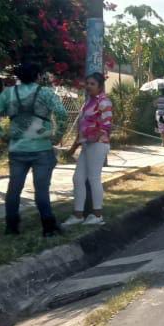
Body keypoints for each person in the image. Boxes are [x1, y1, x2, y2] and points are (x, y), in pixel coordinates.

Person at [0, 62, 69, 237]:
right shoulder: (46, 93)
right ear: (38, 76)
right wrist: (58, 134)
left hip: (17, 149)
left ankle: (11, 227)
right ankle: (48, 227)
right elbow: (62, 113)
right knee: (41, 190)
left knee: (14, 189)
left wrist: (1, 133)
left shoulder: (9, 93)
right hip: (42, 148)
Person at [66, 72, 112, 226]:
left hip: (98, 144)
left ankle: (97, 215)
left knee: (94, 178)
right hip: (86, 144)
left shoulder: (104, 101)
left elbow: (107, 125)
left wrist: (96, 135)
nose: (88, 86)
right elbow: (82, 126)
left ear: (100, 86)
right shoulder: (88, 102)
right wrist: (76, 145)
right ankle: (78, 215)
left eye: (92, 84)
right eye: (87, 83)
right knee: (78, 178)